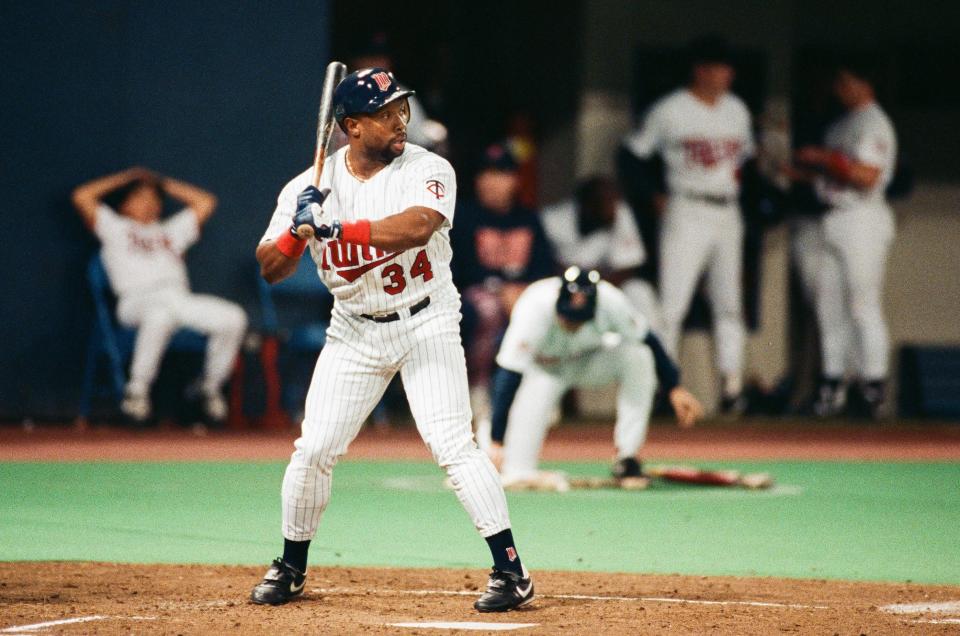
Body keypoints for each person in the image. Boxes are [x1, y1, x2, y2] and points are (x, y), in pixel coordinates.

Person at [251, 68, 533, 612]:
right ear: (352, 127)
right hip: (354, 329)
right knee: (313, 450)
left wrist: (335, 229)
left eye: (401, 108)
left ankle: (510, 570)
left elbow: (418, 227)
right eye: (385, 114)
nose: (400, 120)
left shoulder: (428, 167)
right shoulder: (305, 188)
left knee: (453, 445)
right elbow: (270, 268)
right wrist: (297, 228)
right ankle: (290, 565)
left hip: (427, 319)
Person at [623, 35, 755, 414]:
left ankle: (732, 388)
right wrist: (653, 194)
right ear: (701, 70)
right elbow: (632, 156)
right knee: (673, 305)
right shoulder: (670, 110)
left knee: (730, 304)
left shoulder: (737, 111)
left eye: (728, 68)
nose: (725, 75)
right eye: (718, 67)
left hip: (727, 210)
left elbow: (744, 162)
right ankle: (665, 386)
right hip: (687, 208)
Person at [484, 267, 702, 491]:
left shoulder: (611, 301)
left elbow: (648, 339)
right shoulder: (535, 305)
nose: (573, 324)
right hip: (544, 371)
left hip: (587, 362)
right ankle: (494, 449)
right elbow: (508, 374)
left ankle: (626, 458)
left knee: (639, 356)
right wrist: (497, 440)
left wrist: (674, 387)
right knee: (517, 470)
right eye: (568, 316)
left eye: (580, 319)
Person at [72, 167, 247, 424]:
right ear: (124, 204)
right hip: (135, 300)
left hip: (178, 298)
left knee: (233, 317)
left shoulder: (170, 230)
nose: (149, 202)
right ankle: (137, 392)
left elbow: (205, 202)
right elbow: (82, 197)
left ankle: (207, 388)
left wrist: (161, 184)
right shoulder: (115, 227)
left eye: (154, 198)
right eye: (141, 197)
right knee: (159, 315)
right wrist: (128, 178)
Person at [789, 56, 898, 418]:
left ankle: (873, 384)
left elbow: (866, 176)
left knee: (863, 303)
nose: (838, 88)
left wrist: (822, 157)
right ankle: (833, 383)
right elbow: (831, 181)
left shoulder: (873, 122)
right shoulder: (842, 124)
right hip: (833, 217)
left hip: (863, 217)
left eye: (844, 81)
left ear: (863, 83)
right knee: (828, 304)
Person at [451, 142, 554, 403]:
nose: (493, 182)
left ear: (514, 181)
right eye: (487, 175)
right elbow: (458, 271)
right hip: (477, 294)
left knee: (543, 310)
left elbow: (545, 270)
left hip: (522, 294)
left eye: (501, 175)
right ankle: (479, 389)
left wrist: (521, 291)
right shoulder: (463, 216)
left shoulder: (528, 218)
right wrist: (500, 288)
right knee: (488, 310)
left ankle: (540, 390)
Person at [540, 176, 661, 333]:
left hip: (604, 284)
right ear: (587, 204)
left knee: (639, 291)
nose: (612, 207)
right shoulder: (553, 219)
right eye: (605, 201)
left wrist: (593, 283)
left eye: (612, 200)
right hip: (563, 287)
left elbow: (629, 267)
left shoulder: (620, 212)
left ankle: (655, 350)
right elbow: (546, 264)